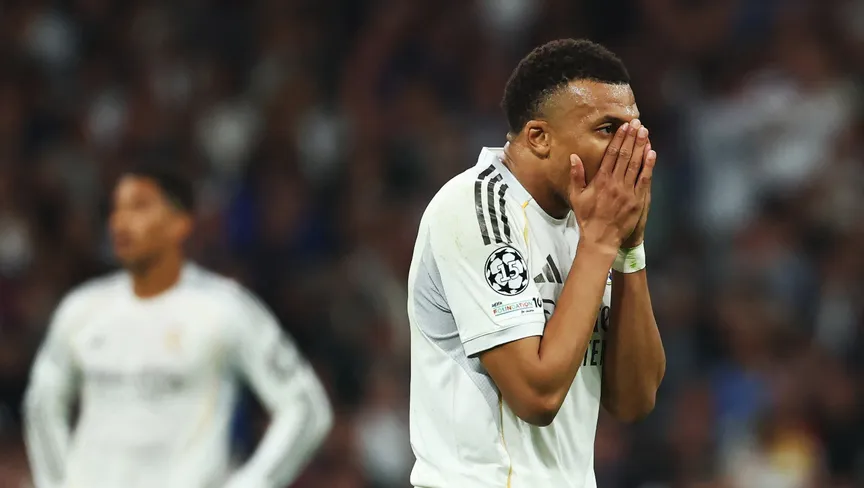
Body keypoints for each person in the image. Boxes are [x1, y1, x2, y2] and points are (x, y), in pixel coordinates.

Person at [407, 39, 666, 487]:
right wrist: (602, 241)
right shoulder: (476, 207)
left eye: (635, 130)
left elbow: (634, 400)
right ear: (539, 138)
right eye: (607, 129)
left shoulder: (589, 223)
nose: (629, 150)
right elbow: (536, 395)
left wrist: (629, 249)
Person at [23, 164, 333, 488]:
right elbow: (42, 403)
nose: (121, 221)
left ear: (179, 224)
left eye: (140, 207)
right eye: (117, 209)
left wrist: (252, 482)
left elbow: (306, 406)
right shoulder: (82, 309)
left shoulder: (225, 309)